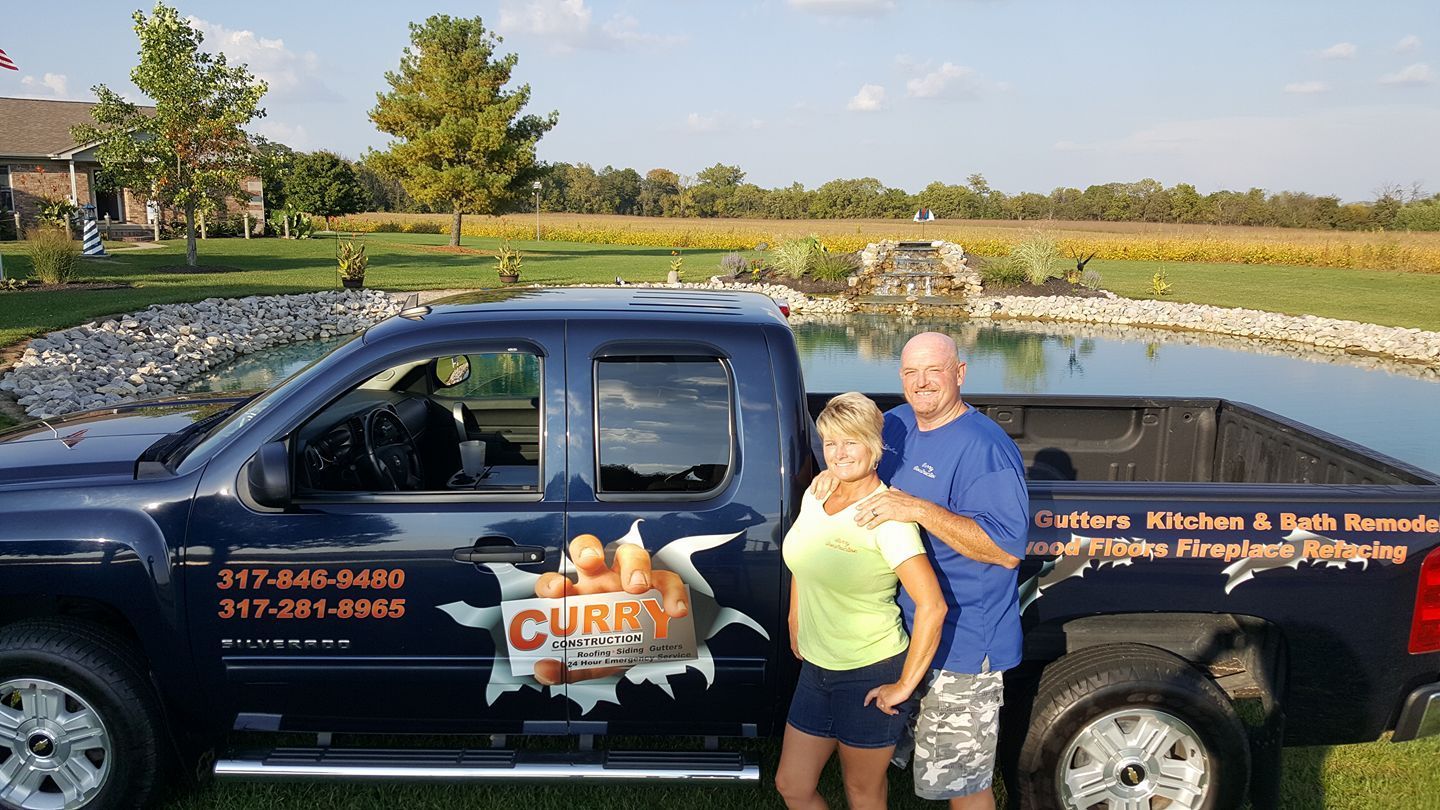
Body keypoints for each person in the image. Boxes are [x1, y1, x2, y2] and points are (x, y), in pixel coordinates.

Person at [814, 332, 1030, 810]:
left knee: (963, 785)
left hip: (964, 643)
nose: (922, 382)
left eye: (934, 370)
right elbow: (849, 449)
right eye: (911, 372)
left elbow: (1005, 549)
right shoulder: (894, 425)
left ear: (960, 373)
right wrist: (835, 473)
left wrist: (919, 508)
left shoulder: (984, 447)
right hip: (904, 634)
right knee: (911, 767)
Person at [776, 392, 948, 810]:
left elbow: (933, 606)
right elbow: (804, 561)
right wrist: (796, 621)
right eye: (831, 441)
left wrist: (904, 685)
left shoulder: (885, 516)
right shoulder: (817, 494)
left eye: (851, 441)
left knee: (863, 793)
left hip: (869, 671)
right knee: (792, 785)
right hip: (816, 667)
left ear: (874, 446)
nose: (839, 453)